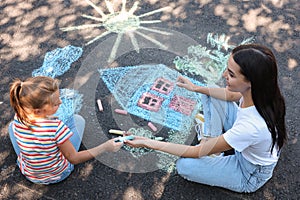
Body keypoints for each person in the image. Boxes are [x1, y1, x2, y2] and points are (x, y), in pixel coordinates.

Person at [126, 44, 287, 193]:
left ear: (251, 81)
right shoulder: (261, 92)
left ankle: (213, 148)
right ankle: (212, 144)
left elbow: (196, 152)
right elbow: (230, 95)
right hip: (246, 145)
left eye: (231, 74)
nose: (224, 75)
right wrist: (195, 88)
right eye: (227, 70)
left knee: (184, 166)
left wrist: (147, 142)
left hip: (249, 172)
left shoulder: (251, 126)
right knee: (210, 92)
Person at [8, 76, 123, 184]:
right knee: (78, 120)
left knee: (11, 126)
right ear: (38, 111)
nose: (60, 102)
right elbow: (74, 158)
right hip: (59, 174)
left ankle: (33, 158)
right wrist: (105, 147)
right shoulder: (56, 127)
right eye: (55, 104)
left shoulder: (19, 117)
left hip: (29, 173)